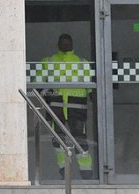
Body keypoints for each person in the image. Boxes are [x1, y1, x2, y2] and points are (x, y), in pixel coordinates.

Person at [40, 33, 93, 180]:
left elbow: (90, 89)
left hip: (76, 108)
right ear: (58, 44)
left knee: (80, 139)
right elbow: (38, 85)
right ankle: (64, 171)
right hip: (55, 107)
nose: (65, 45)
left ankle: (86, 172)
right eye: (62, 43)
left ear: (72, 44)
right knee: (58, 141)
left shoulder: (83, 63)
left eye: (67, 43)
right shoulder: (48, 62)